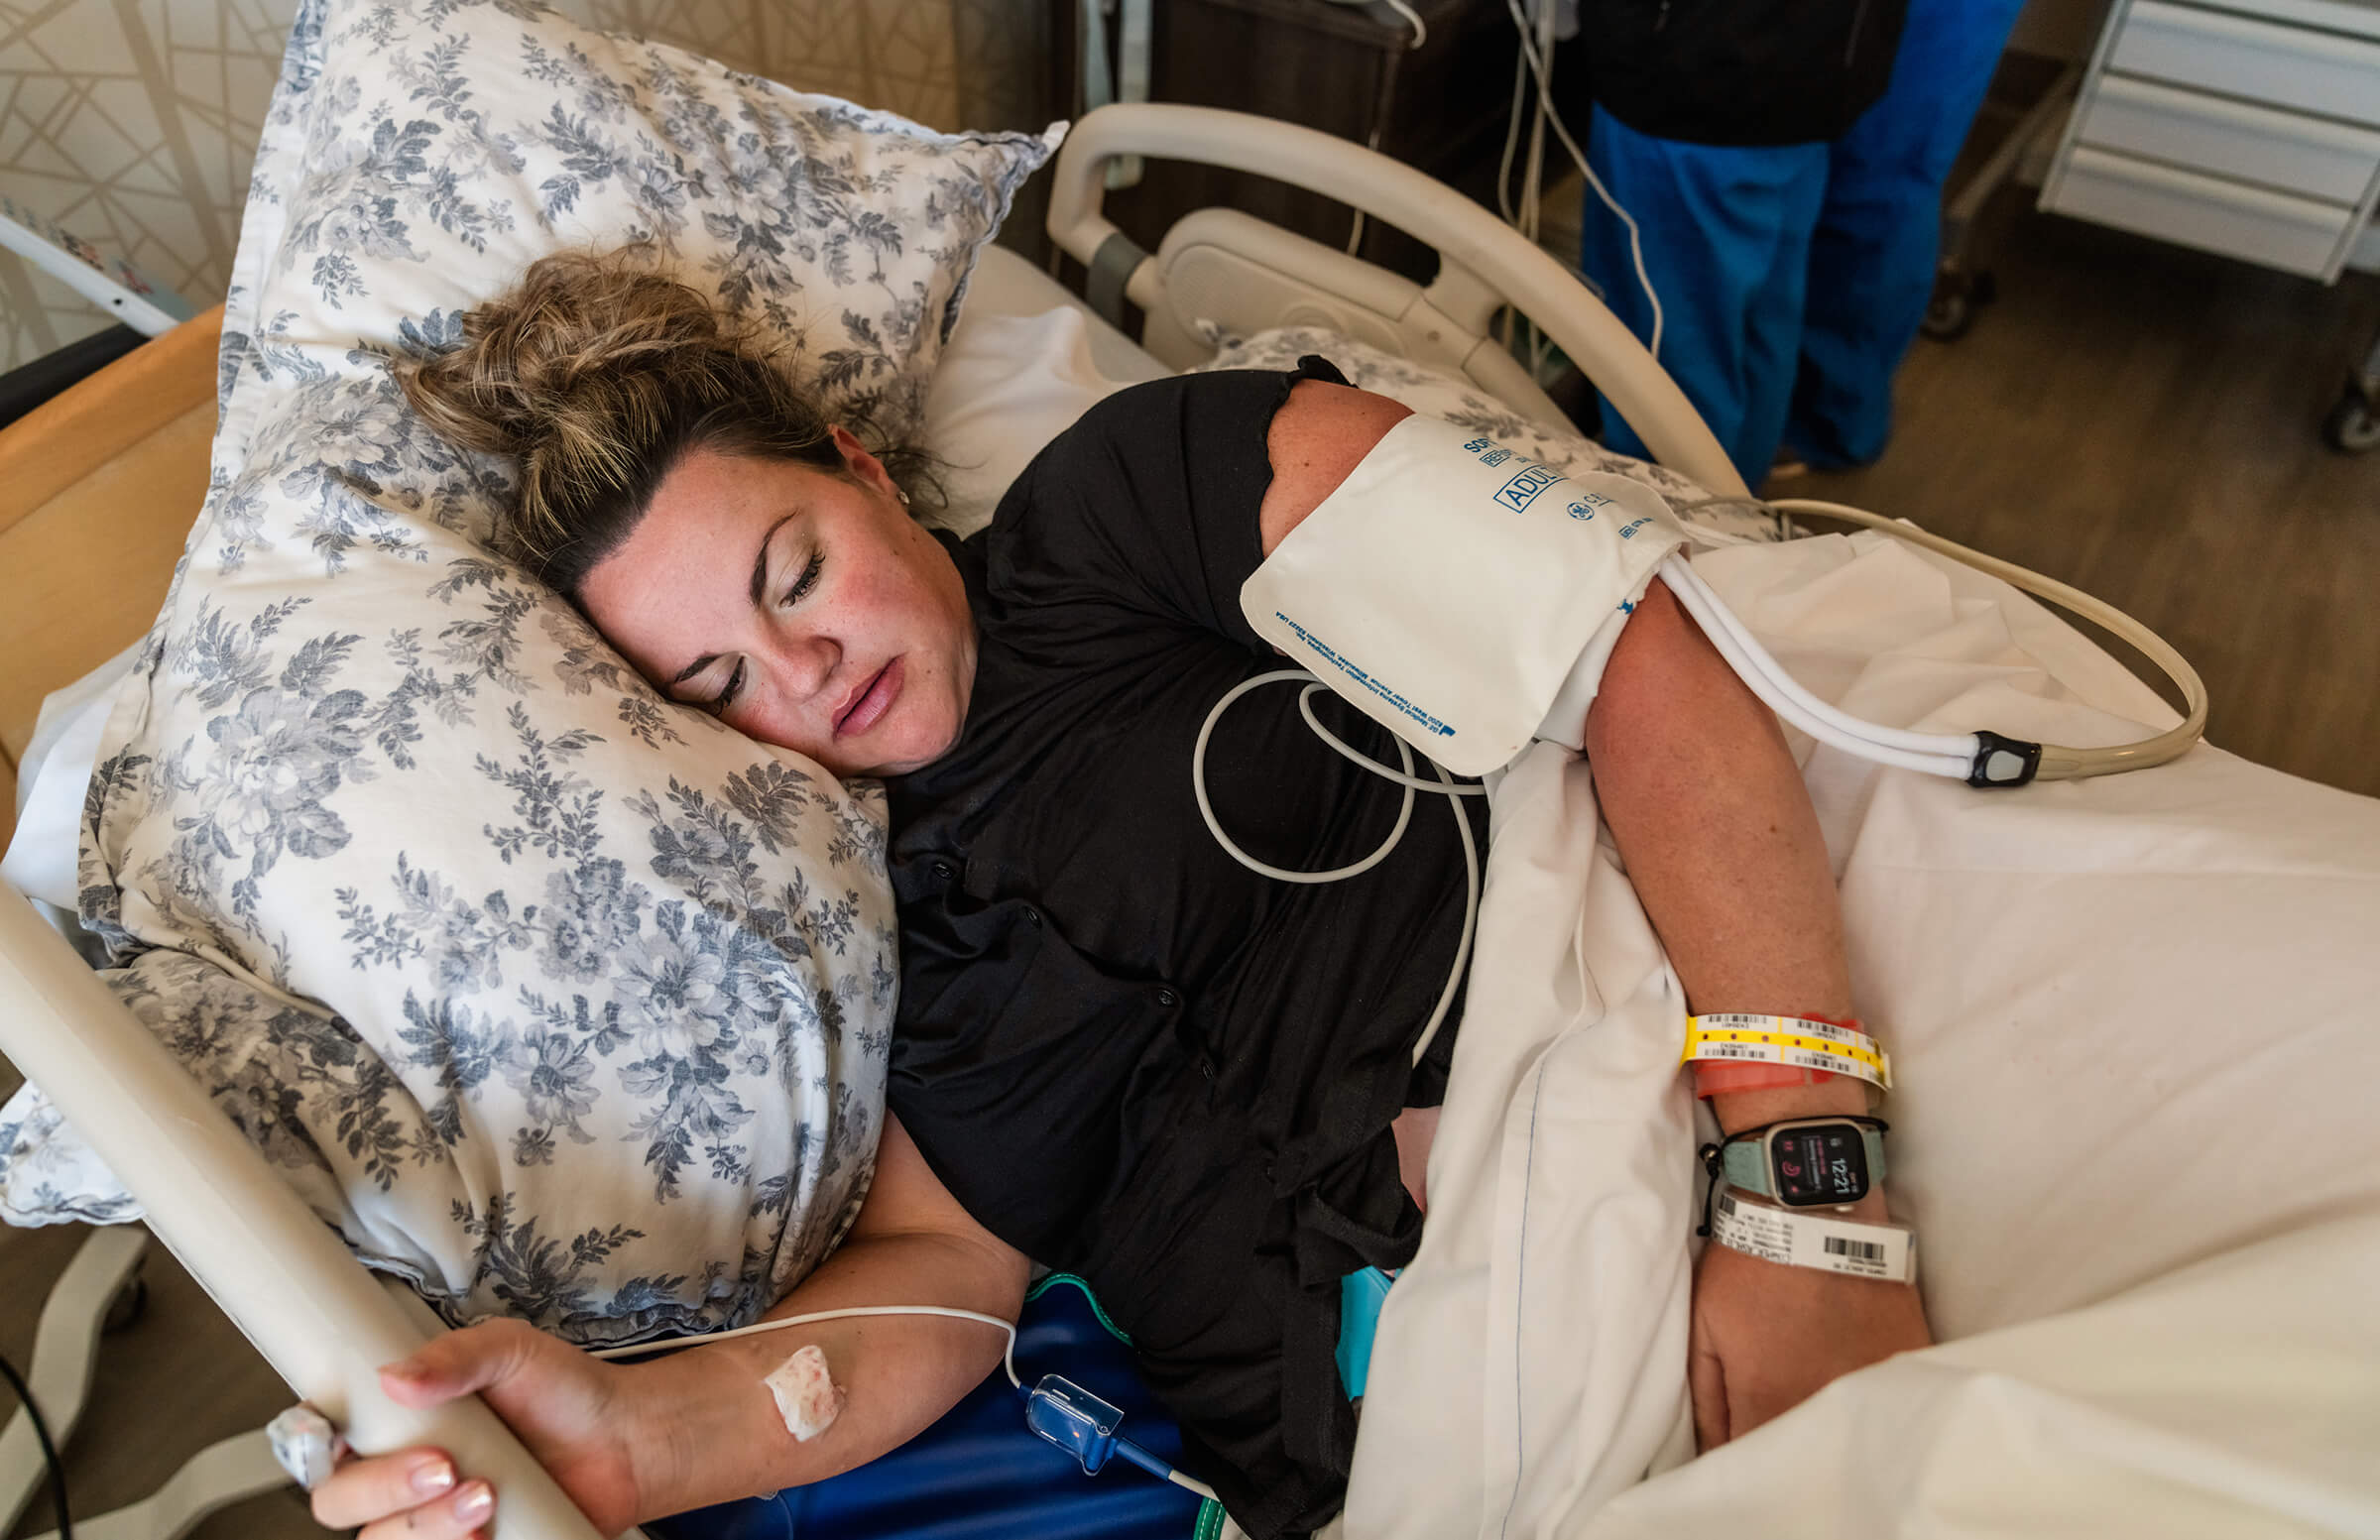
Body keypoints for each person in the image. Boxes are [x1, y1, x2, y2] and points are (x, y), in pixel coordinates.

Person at [308, 248, 1930, 1540]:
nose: (803, 676)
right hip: (1392, 1477)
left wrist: (1808, 1188)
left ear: (861, 465)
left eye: (794, 569)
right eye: (719, 679)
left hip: (1636, 1207)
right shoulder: (887, 943)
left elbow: (1621, 641)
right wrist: (636, 1443)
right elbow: (947, 1279)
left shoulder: (1125, 509)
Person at [1576, 0, 2029, 486]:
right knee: (1767, 304)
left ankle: (1674, 520)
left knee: (1678, 334)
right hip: (1814, 72)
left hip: (1699, 69)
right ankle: (1746, 491)